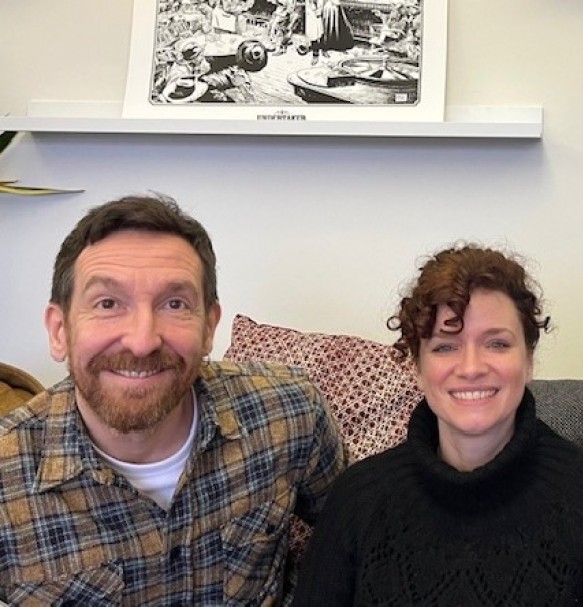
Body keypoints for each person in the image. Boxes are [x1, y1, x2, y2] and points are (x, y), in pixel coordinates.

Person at [0, 194, 346, 604]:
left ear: (208, 328)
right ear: (60, 330)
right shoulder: (7, 478)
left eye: (174, 304)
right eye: (108, 303)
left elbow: (355, 539)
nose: (142, 341)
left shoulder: (290, 413)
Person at [294, 244, 583, 606]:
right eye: (445, 347)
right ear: (417, 367)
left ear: (529, 361)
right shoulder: (357, 499)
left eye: (496, 344)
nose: (471, 368)